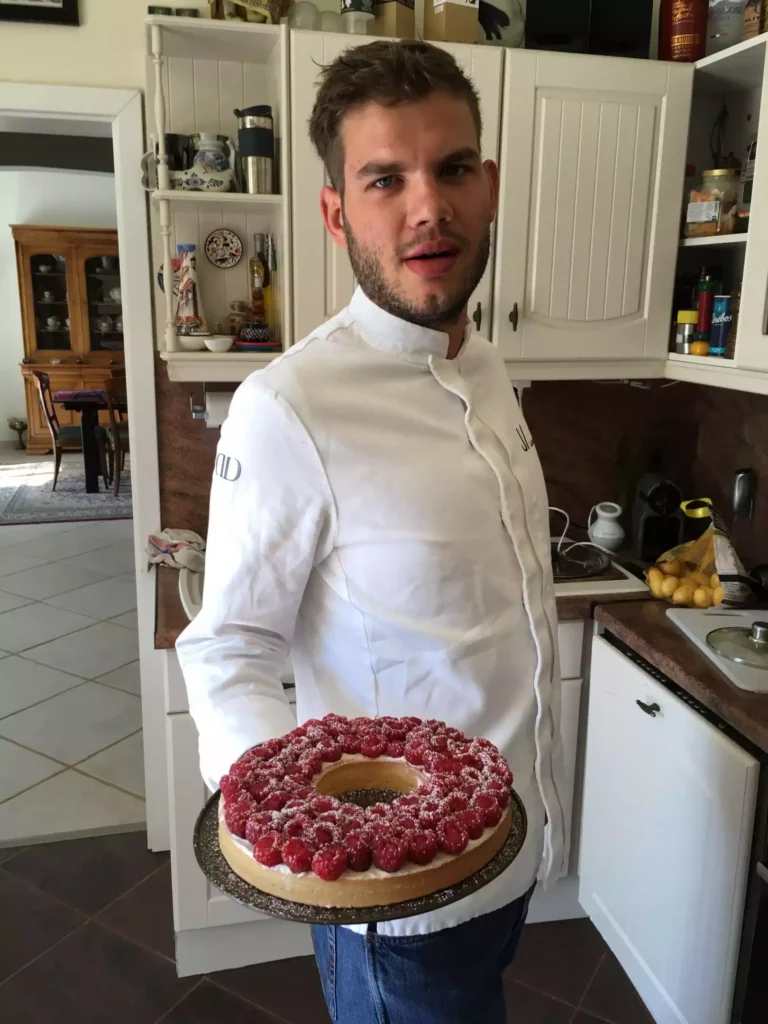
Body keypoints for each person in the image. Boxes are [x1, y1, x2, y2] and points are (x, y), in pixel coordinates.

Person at [177, 40, 567, 1024]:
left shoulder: (486, 364)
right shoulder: (290, 406)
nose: (426, 206)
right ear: (335, 211)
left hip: (513, 850)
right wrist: (313, 834)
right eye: (384, 178)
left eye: (449, 170)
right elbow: (228, 646)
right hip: (399, 913)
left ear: (486, 187)